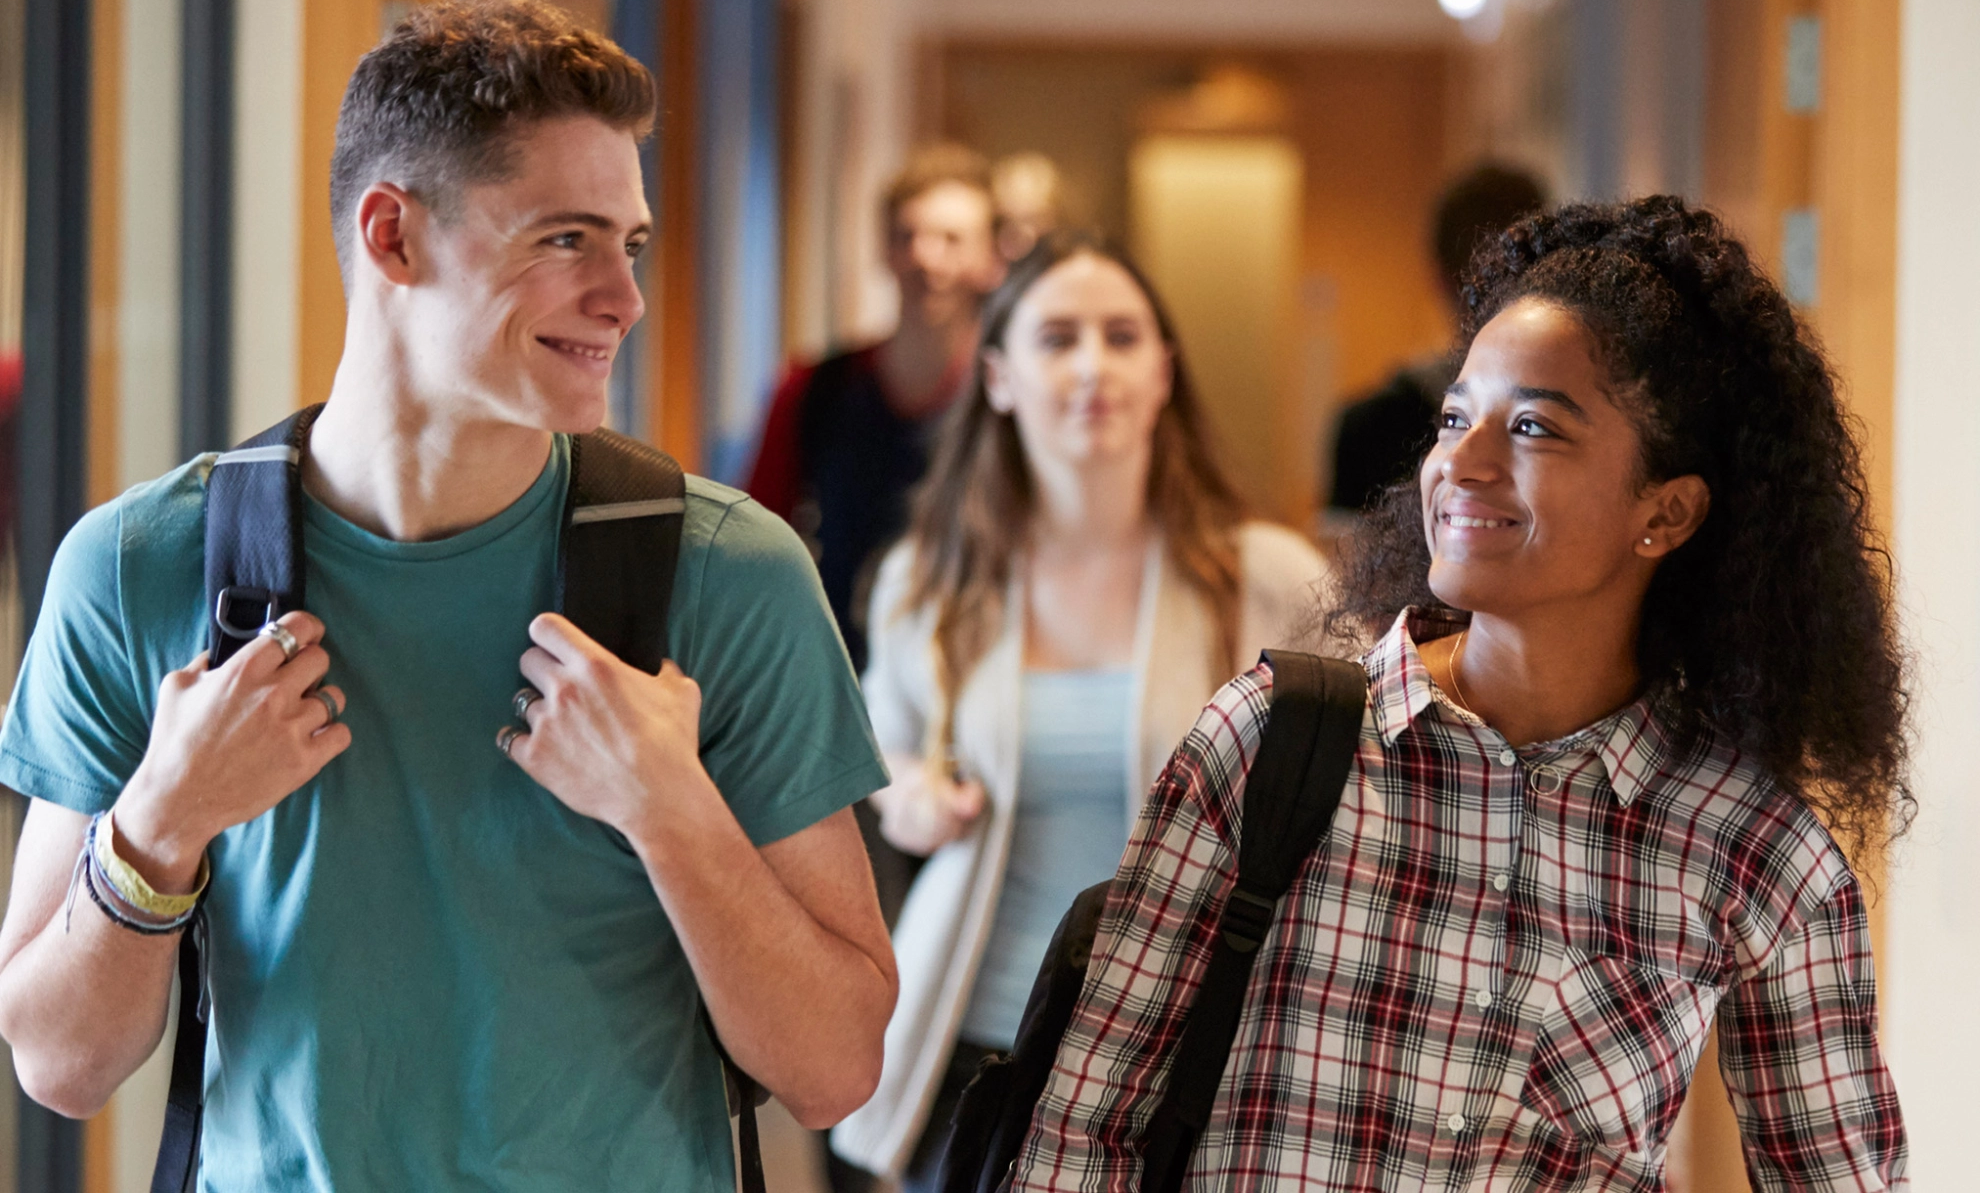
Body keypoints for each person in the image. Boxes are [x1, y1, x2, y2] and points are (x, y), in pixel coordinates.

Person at [0, 0, 896, 1189]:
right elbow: (58, 1065)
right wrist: (161, 823)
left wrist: (672, 811)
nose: (624, 298)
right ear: (393, 237)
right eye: (566, 240)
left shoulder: (728, 573)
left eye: (630, 246)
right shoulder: (138, 568)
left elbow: (836, 1071)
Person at [1012, 197, 1910, 1190]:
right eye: (1453, 417)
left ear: (1667, 511)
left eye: (1532, 427)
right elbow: (1079, 1137)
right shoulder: (1271, 743)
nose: (1460, 464)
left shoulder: (1752, 850)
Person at [831, 231, 1330, 1190]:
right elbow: (883, 744)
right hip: (983, 1045)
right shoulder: (928, 582)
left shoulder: (1269, 579)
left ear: (1164, 372)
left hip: (1199, 1053)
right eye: (1058, 338)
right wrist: (911, 797)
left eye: (1122, 337)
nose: (1094, 366)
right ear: (999, 377)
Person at [747, 141, 1004, 673]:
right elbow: (751, 541)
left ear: (991, 260)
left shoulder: (1013, 400)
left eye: (952, 239)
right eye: (907, 236)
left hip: (977, 670)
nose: (926, 257)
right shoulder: (812, 390)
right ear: (883, 251)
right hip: (832, 671)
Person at [1327, 163, 1545, 520]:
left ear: (1439, 278)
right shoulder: (1572, 418)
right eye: (1454, 422)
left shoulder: (1368, 424)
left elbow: (1343, 549)